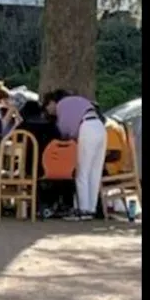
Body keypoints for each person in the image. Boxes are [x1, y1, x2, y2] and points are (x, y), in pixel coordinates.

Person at [44, 89, 106, 221]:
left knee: (82, 172)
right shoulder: (79, 101)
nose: (48, 110)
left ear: (53, 102)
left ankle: (83, 209)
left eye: (47, 106)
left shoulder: (62, 105)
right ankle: (91, 208)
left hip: (87, 128)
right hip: (99, 127)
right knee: (95, 171)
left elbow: (65, 131)